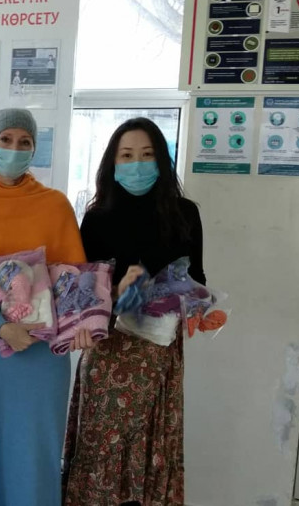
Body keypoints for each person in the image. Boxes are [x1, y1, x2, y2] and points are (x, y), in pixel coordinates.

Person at [0, 108, 93, 506]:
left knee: (34, 447)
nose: (14, 148)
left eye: (24, 142)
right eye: (6, 140)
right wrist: (2, 326)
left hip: (41, 351)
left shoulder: (55, 205)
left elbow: (72, 276)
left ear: (34, 149)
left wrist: (81, 325)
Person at [62, 117, 205, 505]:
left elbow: (197, 279)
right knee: (101, 452)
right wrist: (117, 291)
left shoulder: (185, 214)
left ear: (161, 161)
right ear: (113, 162)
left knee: (153, 449)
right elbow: (85, 294)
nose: (136, 164)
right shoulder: (97, 218)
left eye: (146, 154)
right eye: (126, 155)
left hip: (159, 355)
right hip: (109, 354)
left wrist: (194, 303)